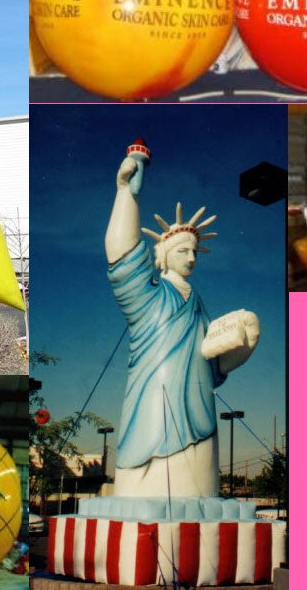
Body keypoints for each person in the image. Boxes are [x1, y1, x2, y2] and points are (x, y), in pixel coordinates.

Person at [104, 143, 259, 498]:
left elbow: (213, 363)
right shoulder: (148, 296)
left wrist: (243, 342)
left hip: (199, 408)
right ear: (161, 256)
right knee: (147, 487)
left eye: (193, 252)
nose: (190, 258)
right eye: (181, 251)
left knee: (200, 491)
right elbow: (120, 251)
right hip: (151, 406)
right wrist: (125, 193)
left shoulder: (199, 305)